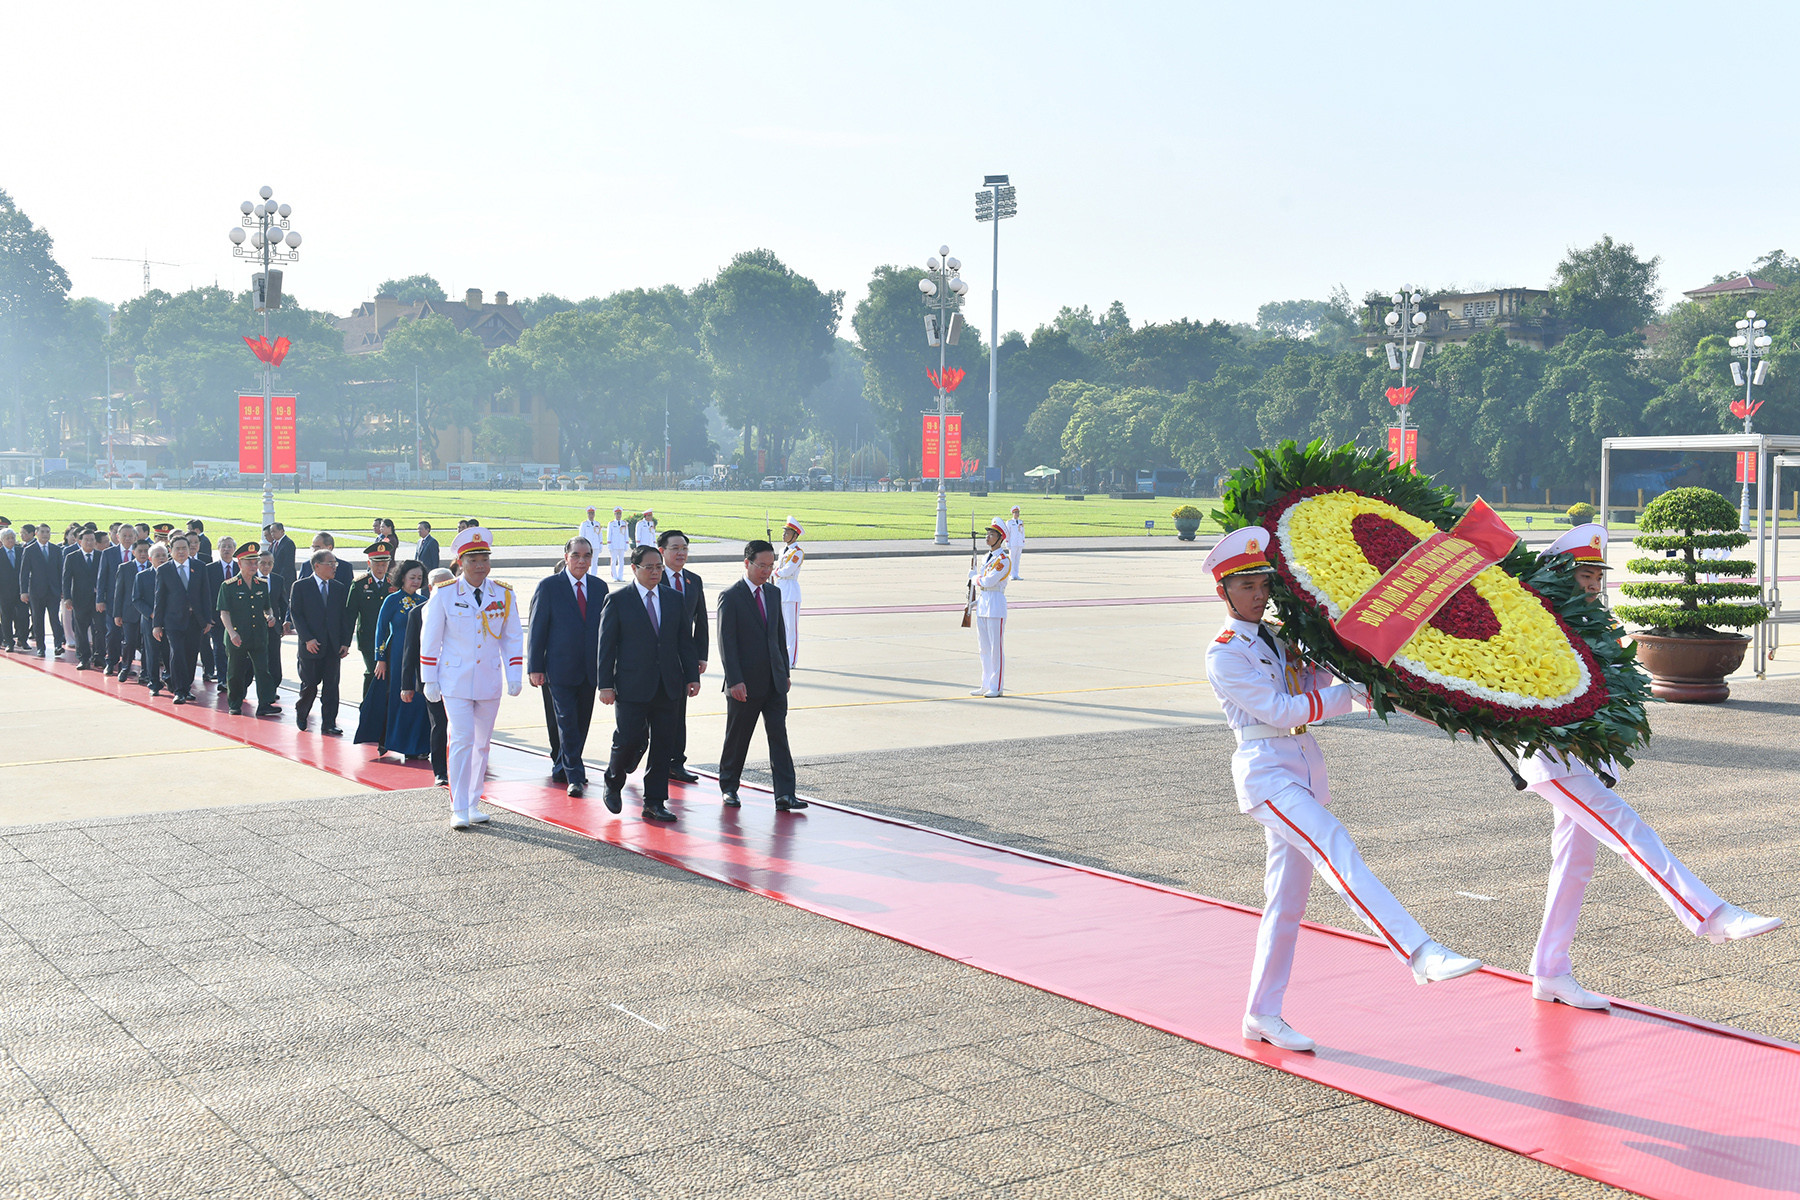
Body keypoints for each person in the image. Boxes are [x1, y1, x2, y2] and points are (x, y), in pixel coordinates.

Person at [1203, 526, 1481, 1054]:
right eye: (1246, 586)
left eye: (1263, 583)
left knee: (1284, 907)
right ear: (1223, 592)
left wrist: (1341, 669)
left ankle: (1261, 1014)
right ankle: (1418, 951)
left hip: (1301, 771)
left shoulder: (1276, 638)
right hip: (1267, 775)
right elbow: (1280, 711)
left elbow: (1307, 688)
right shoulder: (1224, 655)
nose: (1259, 594)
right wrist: (1347, 698)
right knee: (1336, 846)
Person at [1517, 525, 1782, 1011]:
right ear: (1558, 574)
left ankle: (1550, 971)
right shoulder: (1540, 624)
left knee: (1573, 866)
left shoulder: (1592, 622)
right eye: (1584, 574)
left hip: (1584, 758)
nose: (1594, 584)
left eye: (1597, 575)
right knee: (1626, 829)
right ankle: (1710, 914)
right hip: (1553, 759)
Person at [420, 527, 523, 828]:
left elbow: (512, 637)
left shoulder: (503, 593)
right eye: (473, 559)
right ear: (460, 562)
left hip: (489, 679)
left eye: (484, 559)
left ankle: (474, 802)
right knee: (462, 739)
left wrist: (514, 672)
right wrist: (429, 678)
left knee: (482, 744)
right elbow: (431, 639)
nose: (480, 565)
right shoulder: (446, 593)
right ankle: (459, 805)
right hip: (455, 679)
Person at [596, 544, 699, 822]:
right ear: (634, 568)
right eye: (649, 567)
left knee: (664, 744)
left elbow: (684, 643)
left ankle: (654, 801)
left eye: (658, 567)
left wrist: (692, 676)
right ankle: (613, 780)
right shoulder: (618, 601)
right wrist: (605, 684)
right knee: (628, 738)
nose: (655, 572)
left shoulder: (674, 599)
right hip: (631, 685)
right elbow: (606, 647)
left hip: (669, 685)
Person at [716, 539, 803, 811]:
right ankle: (729, 787)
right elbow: (726, 643)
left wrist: (784, 672)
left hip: (774, 682)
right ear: (747, 563)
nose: (766, 571)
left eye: (770, 566)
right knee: (738, 737)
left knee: (779, 736)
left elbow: (779, 636)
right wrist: (734, 680)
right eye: (761, 565)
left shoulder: (774, 593)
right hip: (744, 683)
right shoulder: (731, 596)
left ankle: (785, 794)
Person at [528, 538, 602, 797]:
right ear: (566, 556)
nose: (582, 560)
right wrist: (534, 666)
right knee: (566, 721)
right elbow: (537, 630)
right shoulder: (549, 587)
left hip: (590, 669)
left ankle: (564, 765)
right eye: (576, 555)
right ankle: (575, 775)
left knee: (581, 723)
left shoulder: (599, 587)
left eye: (587, 555)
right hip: (558, 668)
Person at [355, 559, 432, 760]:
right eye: (412, 577)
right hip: (395, 656)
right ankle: (390, 739)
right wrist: (380, 659)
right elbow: (381, 630)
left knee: (417, 700)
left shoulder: (423, 602)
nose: (416, 581)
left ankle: (416, 745)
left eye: (419, 578)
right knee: (395, 698)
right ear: (402, 578)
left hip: (418, 657)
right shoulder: (392, 600)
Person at [659, 529, 707, 783]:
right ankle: (644, 754)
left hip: (684, 657)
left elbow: (700, 621)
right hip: (657, 659)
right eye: (675, 548)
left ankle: (676, 762)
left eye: (684, 549)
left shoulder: (693, 580)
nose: (681, 553)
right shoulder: (654, 577)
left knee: (679, 712)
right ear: (662, 551)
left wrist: (701, 656)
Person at [216, 542, 281, 718]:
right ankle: (235, 703)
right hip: (238, 635)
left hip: (258, 634)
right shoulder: (228, 586)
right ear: (240, 564)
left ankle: (265, 703)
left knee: (263, 670)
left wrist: (270, 616)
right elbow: (224, 612)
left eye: (255, 562)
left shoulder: (261, 584)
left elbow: (267, 608)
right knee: (235, 671)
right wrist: (232, 633)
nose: (253, 566)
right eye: (249, 563)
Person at [290, 548, 352, 734]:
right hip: (311, 647)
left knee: (331, 687)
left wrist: (345, 642)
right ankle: (302, 713)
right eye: (330, 564)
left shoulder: (338, 588)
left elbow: (345, 618)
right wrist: (308, 639)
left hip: (333, 647)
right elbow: (296, 614)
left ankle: (329, 723)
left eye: (335, 564)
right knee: (309, 685)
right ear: (317, 566)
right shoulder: (300, 586)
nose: (334, 567)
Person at [403, 567, 453, 787]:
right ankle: (440, 771)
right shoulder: (418, 613)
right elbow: (410, 651)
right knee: (439, 724)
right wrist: (408, 685)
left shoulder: (463, 609)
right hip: (432, 680)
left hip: (459, 677)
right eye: (441, 585)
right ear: (431, 588)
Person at [153, 533, 213, 704]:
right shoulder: (164, 570)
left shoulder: (200, 567)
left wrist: (208, 619)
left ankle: (187, 688)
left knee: (191, 655)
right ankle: (179, 690)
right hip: (173, 621)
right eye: (177, 549)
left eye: (184, 548)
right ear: (170, 551)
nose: (181, 552)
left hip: (195, 620)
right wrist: (157, 625)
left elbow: (205, 595)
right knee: (177, 653)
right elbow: (160, 599)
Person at [349, 540, 398, 698]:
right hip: (368, 637)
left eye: (384, 564)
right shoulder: (359, 584)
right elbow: (349, 614)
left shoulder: (394, 583)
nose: (380, 568)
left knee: (389, 673)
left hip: (390, 637)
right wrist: (344, 642)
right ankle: (367, 706)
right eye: (377, 564)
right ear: (369, 563)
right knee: (373, 671)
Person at [969, 518, 1012, 697]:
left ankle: (996, 686)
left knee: (996, 648)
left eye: (992, 534)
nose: (987, 537)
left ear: (1000, 538)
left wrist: (974, 578)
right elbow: (984, 584)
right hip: (984, 602)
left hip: (995, 604)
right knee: (984, 648)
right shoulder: (988, 558)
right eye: (987, 534)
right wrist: (974, 601)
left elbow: (988, 581)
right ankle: (985, 683)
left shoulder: (1003, 560)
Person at [60, 527, 105, 669]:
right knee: (81, 630)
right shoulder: (72, 557)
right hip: (79, 600)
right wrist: (67, 598)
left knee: (100, 629)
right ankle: (84, 657)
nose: (90, 542)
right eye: (86, 540)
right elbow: (66, 579)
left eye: (92, 540)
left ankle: (99, 656)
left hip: (98, 600)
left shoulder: (101, 556)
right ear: (80, 541)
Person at [201, 535, 238, 692]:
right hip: (216, 617)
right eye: (223, 546)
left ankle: (234, 678)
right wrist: (208, 616)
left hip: (237, 618)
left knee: (236, 650)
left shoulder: (240, 568)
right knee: (219, 648)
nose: (227, 549)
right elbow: (205, 594)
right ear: (218, 548)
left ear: (234, 549)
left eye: (230, 546)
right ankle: (222, 679)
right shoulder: (209, 569)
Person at [20, 522, 63, 657]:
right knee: (38, 620)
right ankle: (41, 647)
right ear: (36, 534)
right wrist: (24, 591)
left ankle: (58, 645)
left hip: (53, 591)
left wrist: (62, 590)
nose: (45, 535)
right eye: (43, 532)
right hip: (36, 592)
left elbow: (61, 571)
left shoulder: (56, 550)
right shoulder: (30, 550)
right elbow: (24, 572)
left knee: (54, 619)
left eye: (48, 532)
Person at [98, 523, 135, 673]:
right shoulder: (108, 553)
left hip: (132, 602)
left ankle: (126, 665)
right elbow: (102, 578)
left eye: (130, 536)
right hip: (113, 601)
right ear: (117, 536)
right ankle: (111, 662)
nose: (127, 539)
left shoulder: (139, 553)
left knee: (130, 637)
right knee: (112, 633)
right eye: (124, 536)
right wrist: (100, 599)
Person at [112, 538, 150, 681]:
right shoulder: (125, 568)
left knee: (147, 644)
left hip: (147, 612)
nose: (143, 554)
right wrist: (117, 614)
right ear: (133, 552)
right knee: (129, 642)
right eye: (140, 551)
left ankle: (145, 672)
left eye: (146, 551)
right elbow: (119, 592)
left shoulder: (154, 567)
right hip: (129, 612)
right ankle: (125, 667)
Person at [134, 544, 166, 694]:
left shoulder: (173, 575)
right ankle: (153, 683)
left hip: (169, 620)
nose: (161, 558)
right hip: (150, 621)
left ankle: (171, 680)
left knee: (169, 652)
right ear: (150, 558)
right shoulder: (142, 576)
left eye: (163, 555)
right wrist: (152, 614)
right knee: (152, 653)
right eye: (157, 556)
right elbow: (137, 599)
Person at [774, 516, 805, 668]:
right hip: (780, 590)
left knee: (791, 629)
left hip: (791, 592)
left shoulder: (797, 552)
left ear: (795, 535)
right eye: (784, 532)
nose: (784, 534)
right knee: (781, 627)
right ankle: (782, 657)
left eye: (787, 532)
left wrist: (774, 572)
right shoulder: (782, 551)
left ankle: (791, 660)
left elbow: (787, 571)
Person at [258, 549, 289, 692]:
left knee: (274, 661)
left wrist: (284, 622)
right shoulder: (251, 580)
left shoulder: (278, 580)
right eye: (263, 563)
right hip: (255, 627)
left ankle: (272, 689)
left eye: (270, 563)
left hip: (274, 627)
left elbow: (283, 604)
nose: (266, 567)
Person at [0, 528, 23, 651]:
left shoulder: (22, 552)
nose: (10, 540)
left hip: (20, 591)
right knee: (6, 617)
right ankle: (9, 641)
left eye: (12, 537)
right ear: (2, 540)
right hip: (4, 593)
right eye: (7, 538)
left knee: (23, 616)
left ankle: (22, 639)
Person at [605, 507, 630, 581]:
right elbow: (609, 534)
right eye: (617, 514)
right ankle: (614, 576)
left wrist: (626, 543)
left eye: (620, 514)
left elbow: (626, 534)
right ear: (614, 514)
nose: (619, 515)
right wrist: (609, 543)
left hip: (621, 544)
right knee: (613, 561)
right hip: (614, 545)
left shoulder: (624, 523)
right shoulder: (611, 523)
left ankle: (620, 576)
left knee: (621, 561)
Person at [1002, 505, 1026, 581]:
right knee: (1012, 559)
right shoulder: (1009, 522)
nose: (1017, 514)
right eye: (1015, 512)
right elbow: (1007, 533)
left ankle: (1016, 574)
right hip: (1012, 543)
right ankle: (1011, 574)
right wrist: (1007, 542)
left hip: (1019, 543)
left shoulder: (1021, 522)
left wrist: (1023, 540)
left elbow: (1022, 532)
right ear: (1013, 513)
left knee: (1017, 559)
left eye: (1018, 512)